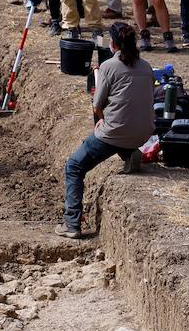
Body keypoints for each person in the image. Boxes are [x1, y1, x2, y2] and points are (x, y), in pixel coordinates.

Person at [55, 21, 155, 239]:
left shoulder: (109, 66)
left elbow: (97, 106)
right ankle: (131, 154)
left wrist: (101, 120)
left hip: (117, 133)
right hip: (144, 132)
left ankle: (71, 223)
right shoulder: (146, 66)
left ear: (114, 44)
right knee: (120, 130)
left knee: (74, 167)